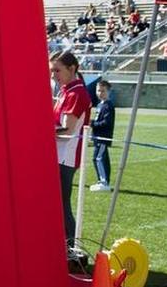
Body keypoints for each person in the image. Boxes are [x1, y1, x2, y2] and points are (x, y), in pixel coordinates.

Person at [50, 50, 91, 254]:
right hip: (58, 154)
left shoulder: (77, 93)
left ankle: (71, 248)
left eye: (57, 70)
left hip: (66, 156)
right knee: (56, 203)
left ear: (71, 68)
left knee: (62, 204)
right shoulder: (66, 90)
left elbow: (67, 129)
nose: (54, 75)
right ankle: (63, 246)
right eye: (52, 71)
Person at [89, 80, 115, 192]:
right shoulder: (100, 105)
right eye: (98, 90)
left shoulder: (108, 105)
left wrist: (93, 124)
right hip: (97, 136)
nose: (100, 93)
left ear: (108, 92)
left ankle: (104, 182)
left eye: (103, 91)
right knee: (101, 158)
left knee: (98, 158)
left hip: (103, 137)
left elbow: (106, 122)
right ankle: (102, 181)